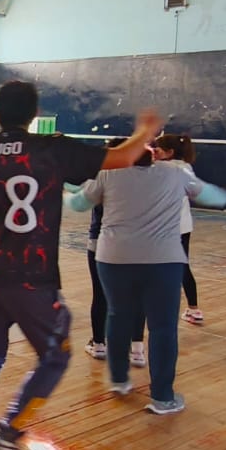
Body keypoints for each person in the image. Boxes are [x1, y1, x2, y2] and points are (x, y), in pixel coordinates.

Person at [0, 81, 160, 450]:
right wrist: (146, 130)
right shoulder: (50, 149)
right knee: (55, 356)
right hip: (29, 277)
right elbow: (123, 157)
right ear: (34, 114)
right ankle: (8, 430)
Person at [69, 150, 226, 415]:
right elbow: (215, 197)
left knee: (118, 315)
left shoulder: (108, 174)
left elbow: (78, 204)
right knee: (163, 327)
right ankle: (163, 398)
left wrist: (63, 189)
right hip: (163, 260)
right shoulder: (176, 173)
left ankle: (119, 381)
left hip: (114, 258)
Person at [83, 140, 144, 367]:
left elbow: (81, 201)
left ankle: (99, 343)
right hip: (136, 244)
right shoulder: (147, 178)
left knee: (100, 294)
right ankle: (136, 349)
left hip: (102, 242)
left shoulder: (103, 176)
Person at [155, 132, 204, 325]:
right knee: (182, 266)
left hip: (166, 227)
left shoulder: (163, 169)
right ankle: (194, 309)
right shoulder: (186, 168)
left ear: (169, 152)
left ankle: (162, 308)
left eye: (158, 149)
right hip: (183, 226)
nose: (154, 152)